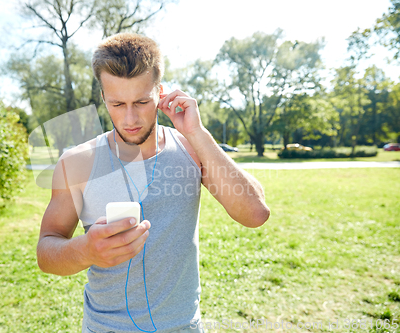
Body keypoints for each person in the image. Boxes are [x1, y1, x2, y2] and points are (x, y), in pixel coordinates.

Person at [36, 33, 270, 333]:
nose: (130, 117)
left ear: (160, 93)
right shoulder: (76, 162)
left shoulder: (190, 148)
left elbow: (255, 214)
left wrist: (197, 132)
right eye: (117, 103)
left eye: (142, 101)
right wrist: (86, 251)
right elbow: (46, 252)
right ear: (103, 97)